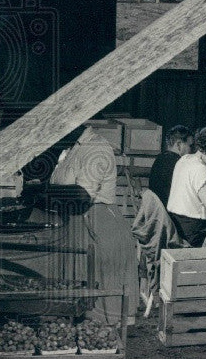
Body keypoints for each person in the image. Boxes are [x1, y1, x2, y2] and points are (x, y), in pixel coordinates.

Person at [47, 124, 138, 325]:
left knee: (97, 299)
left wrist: (44, 192)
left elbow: (82, 195)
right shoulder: (70, 148)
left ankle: (102, 346)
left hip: (99, 227)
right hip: (76, 224)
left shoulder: (97, 148)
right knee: (78, 293)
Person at [147, 125, 194, 207]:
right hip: (172, 214)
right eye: (190, 146)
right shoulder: (178, 163)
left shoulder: (160, 158)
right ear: (179, 145)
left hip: (160, 212)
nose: (191, 150)